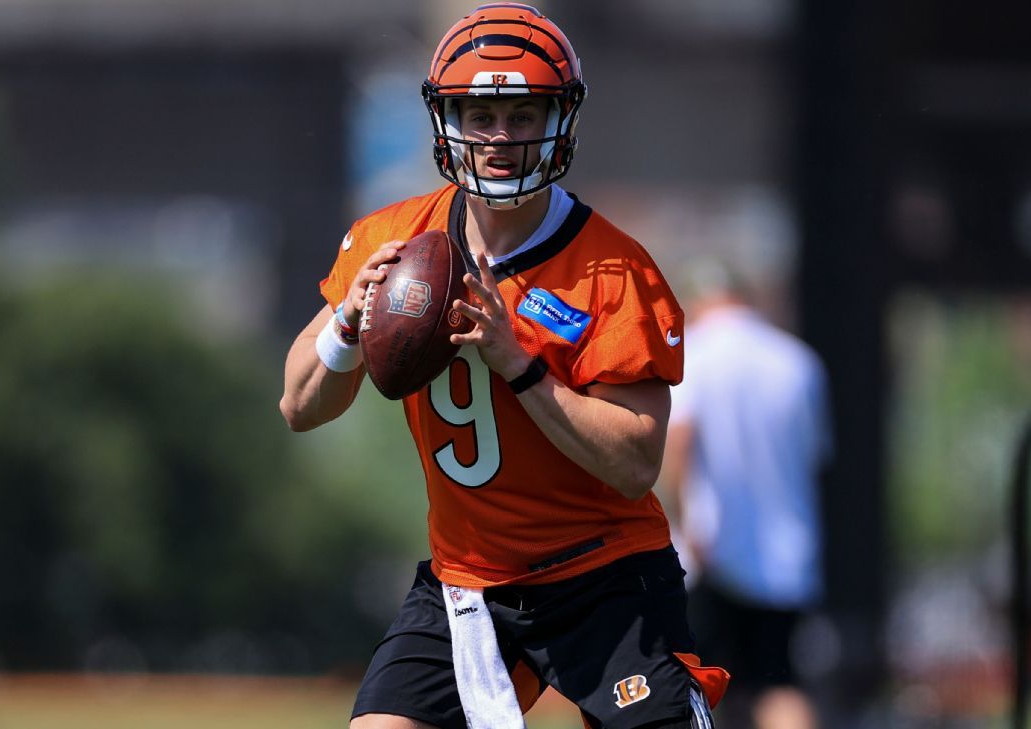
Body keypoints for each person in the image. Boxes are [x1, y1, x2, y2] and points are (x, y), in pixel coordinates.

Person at [280, 4, 727, 728]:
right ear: (445, 120)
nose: (499, 137)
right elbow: (300, 405)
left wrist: (518, 362)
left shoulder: (613, 270)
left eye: (523, 114)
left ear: (560, 120)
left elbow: (637, 462)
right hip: (467, 579)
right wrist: (348, 321)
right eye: (479, 114)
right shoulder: (392, 240)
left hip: (602, 577)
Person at [659, 260, 832, 729]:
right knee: (780, 684)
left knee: (695, 687)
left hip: (713, 552)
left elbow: (680, 441)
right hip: (785, 558)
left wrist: (682, 519)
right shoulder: (798, 362)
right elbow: (816, 460)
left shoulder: (694, 353)